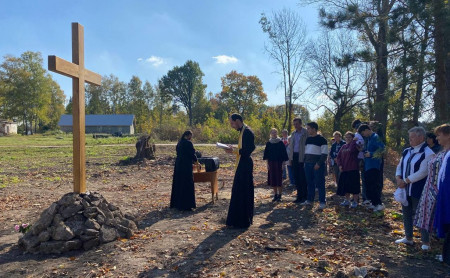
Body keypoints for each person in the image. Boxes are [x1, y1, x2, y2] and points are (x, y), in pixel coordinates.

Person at [394, 126, 434, 248]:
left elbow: (423, 172)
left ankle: (426, 241)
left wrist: (406, 180)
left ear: (421, 137)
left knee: (421, 214)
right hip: (405, 188)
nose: (410, 139)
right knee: (406, 212)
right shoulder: (407, 151)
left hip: (419, 188)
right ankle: (408, 237)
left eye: (412, 137)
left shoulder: (428, 153)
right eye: (409, 137)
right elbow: (400, 165)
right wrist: (398, 178)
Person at [415, 124, 450, 252]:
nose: (436, 137)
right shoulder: (442, 152)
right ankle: (443, 251)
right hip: (431, 189)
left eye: (439, 134)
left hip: (443, 193)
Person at [224, 113, 256, 228]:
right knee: (238, 191)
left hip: (245, 165)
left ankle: (242, 220)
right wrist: (233, 149)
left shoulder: (247, 132)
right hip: (242, 164)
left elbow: (248, 150)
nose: (232, 125)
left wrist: (233, 150)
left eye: (232, 123)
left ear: (237, 120)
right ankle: (236, 219)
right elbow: (242, 148)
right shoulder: (243, 131)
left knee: (243, 191)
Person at [430, 124, 450, 263]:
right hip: (444, 196)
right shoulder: (446, 152)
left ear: (448, 135)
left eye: (439, 135)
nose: (437, 138)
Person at [301, 122, 328, 209]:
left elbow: (324, 154)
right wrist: (305, 162)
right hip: (307, 164)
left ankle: (322, 202)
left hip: (317, 165)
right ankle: (309, 200)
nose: (307, 130)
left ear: (314, 129)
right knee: (309, 183)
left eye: (308, 128)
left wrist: (319, 163)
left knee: (320, 183)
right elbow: (306, 152)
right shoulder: (308, 139)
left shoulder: (322, 140)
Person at [358, 124, 385, 211]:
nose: (363, 135)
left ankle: (379, 204)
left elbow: (382, 149)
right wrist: (362, 149)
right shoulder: (369, 139)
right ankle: (373, 203)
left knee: (374, 185)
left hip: (374, 166)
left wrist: (371, 154)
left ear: (367, 130)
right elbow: (368, 150)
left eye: (363, 133)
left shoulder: (376, 137)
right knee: (369, 186)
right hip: (368, 166)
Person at [170, 130, 198, 211]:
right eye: (191, 136)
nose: (191, 138)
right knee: (187, 183)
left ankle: (177, 203)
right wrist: (196, 161)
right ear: (188, 135)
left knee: (179, 183)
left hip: (178, 164)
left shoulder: (179, 142)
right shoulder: (188, 143)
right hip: (186, 165)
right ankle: (186, 205)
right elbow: (192, 154)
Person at [336, 132, 361, 208]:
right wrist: (340, 165)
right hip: (344, 169)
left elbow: (352, 150)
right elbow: (338, 157)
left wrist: (353, 141)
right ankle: (347, 200)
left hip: (353, 169)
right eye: (346, 137)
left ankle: (355, 201)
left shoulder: (354, 145)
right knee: (345, 186)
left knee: (354, 186)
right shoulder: (343, 146)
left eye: (349, 137)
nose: (348, 139)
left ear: (353, 138)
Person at [263, 128, 289, 201]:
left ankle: (280, 195)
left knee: (279, 179)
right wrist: (267, 164)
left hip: (279, 163)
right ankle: (275, 195)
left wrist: (283, 164)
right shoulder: (268, 143)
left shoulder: (280, 143)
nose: (274, 133)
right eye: (272, 132)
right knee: (273, 179)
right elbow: (266, 155)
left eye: (275, 132)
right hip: (271, 163)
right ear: (270, 133)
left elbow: (284, 154)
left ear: (277, 133)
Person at [288, 118, 308, 203]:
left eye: (297, 124)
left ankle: (305, 197)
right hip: (294, 157)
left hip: (302, 156)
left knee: (303, 177)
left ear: (301, 123)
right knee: (296, 177)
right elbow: (291, 147)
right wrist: (290, 158)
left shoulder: (306, 133)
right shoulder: (293, 134)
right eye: (294, 124)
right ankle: (299, 196)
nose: (295, 126)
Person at [352, 119, 368, 205]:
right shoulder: (356, 136)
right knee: (357, 179)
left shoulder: (363, 136)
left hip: (362, 159)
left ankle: (364, 198)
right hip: (358, 159)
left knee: (363, 179)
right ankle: (356, 198)